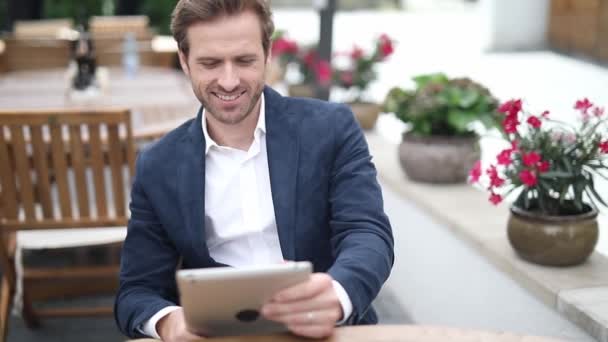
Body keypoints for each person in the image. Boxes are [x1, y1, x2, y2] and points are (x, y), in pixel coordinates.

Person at [114, 0, 394, 340]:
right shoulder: (158, 164)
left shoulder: (332, 129)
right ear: (185, 61)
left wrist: (336, 296)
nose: (229, 81)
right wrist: (170, 322)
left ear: (268, 53)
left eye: (244, 61)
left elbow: (367, 233)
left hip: (326, 332)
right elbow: (136, 291)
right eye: (210, 63)